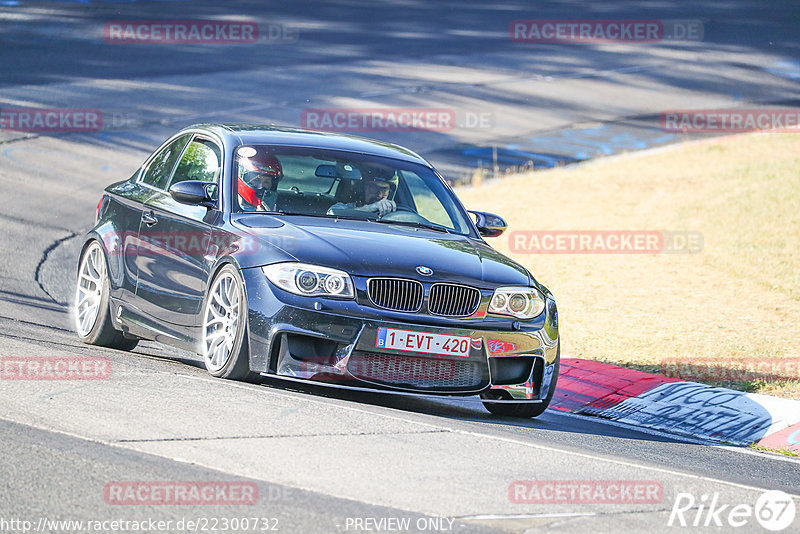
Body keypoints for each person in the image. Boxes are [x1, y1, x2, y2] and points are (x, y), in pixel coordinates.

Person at [327, 167, 396, 218]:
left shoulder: (394, 214)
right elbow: (332, 213)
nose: (380, 194)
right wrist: (370, 208)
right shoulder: (345, 207)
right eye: (374, 188)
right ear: (362, 189)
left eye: (384, 189)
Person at [236, 147, 282, 211]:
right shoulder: (225, 204)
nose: (261, 186)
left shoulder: (279, 211)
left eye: (267, 182)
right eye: (256, 180)